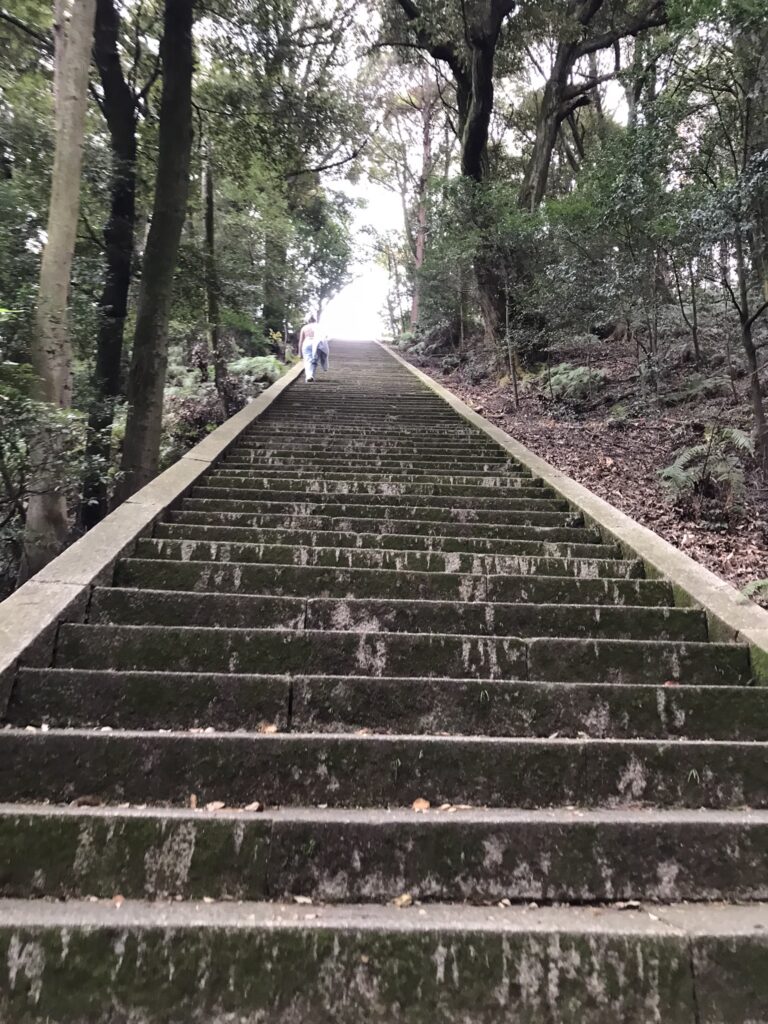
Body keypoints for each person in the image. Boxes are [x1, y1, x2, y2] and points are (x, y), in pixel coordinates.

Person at [299, 314, 329, 382]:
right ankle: (311, 375)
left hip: (307, 343)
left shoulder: (304, 328)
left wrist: (299, 353)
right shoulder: (319, 327)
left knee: (307, 360)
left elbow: (301, 341)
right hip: (317, 343)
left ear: (308, 321)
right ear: (315, 320)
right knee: (314, 360)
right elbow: (325, 336)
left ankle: (309, 376)